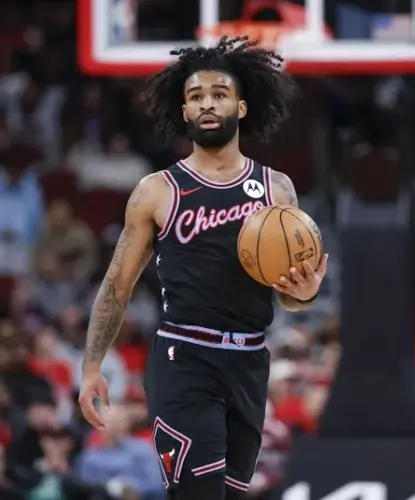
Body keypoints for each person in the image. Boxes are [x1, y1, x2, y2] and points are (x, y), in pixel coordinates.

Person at [78, 36, 328, 500]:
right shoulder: (158, 191)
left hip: (249, 362)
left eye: (218, 94)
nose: (207, 104)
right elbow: (117, 285)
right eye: (196, 97)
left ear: (242, 106)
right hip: (184, 359)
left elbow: (291, 297)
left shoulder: (277, 189)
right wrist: (92, 365)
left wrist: (306, 290)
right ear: (185, 111)